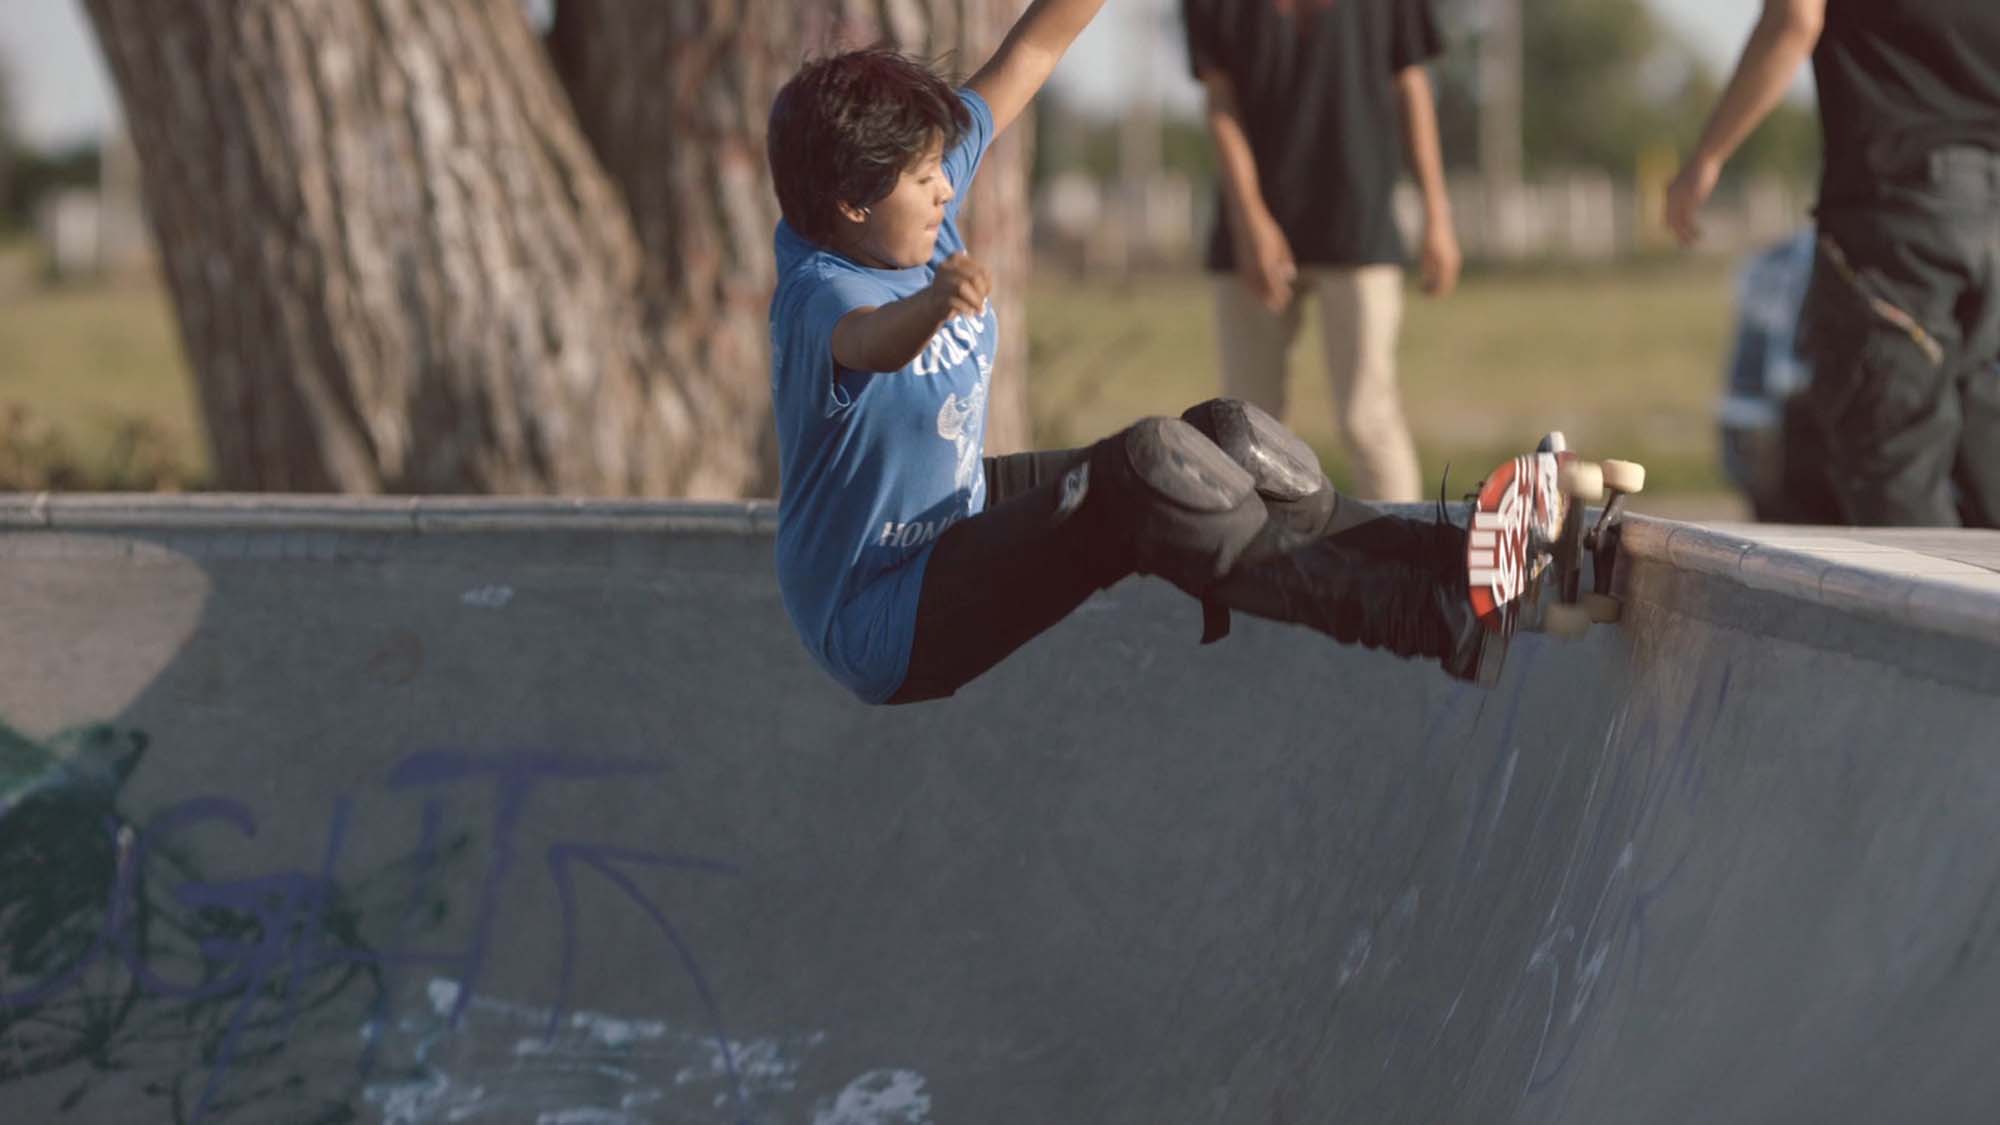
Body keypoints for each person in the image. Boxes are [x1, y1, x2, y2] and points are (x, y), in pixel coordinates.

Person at [765, 2, 1518, 707]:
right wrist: (930, 306)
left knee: (1224, 442)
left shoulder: (900, 197)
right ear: (852, 202)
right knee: (1145, 471)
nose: (944, 192)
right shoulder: (821, 290)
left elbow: (1035, 44)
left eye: (943, 170)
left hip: (951, 510)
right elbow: (871, 341)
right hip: (883, 612)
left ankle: (1449, 559)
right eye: (924, 181)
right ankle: (1431, 620)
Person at [1666, 0, 2000, 528]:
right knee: (1989, 460)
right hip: (1989, 210)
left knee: (1897, 476)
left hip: (1898, 215)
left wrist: (1708, 157)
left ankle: (1916, 612)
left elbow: (1795, 20)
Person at [1181, 0, 1461, 504]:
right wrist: (1252, 222)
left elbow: (1412, 84)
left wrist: (1437, 216)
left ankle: (1405, 558)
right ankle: (1244, 567)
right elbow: (1220, 101)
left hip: (1360, 217)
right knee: (1243, 424)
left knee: (1367, 418)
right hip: (1250, 230)